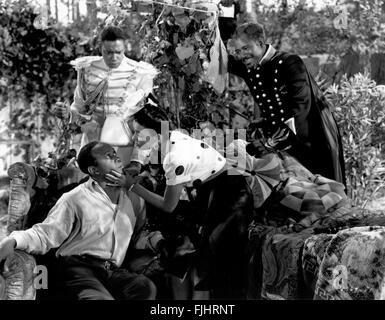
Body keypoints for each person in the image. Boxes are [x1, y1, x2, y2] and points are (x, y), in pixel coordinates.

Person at [103, 103, 254, 299]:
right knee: (192, 254)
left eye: (138, 134)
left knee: (209, 259)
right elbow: (146, 157)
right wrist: (136, 170)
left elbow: (168, 205)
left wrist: (131, 185)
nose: (134, 139)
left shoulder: (175, 158)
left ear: (153, 132)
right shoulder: (170, 137)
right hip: (213, 192)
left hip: (231, 196)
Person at [0, 141, 160, 300]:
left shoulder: (132, 198)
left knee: (144, 288)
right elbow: (46, 233)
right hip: (77, 267)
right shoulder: (75, 198)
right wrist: (13, 241)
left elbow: (138, 235)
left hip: (111, 270)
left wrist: (157, 242)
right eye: (109, 156)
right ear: (94, 170)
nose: (117, 158)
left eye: (115, 154)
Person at [227, 22, 346, 186]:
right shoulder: (249, 65)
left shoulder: (290, 63)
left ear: (260, 43)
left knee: (319, 195)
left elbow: (300, 108)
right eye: (238, 51)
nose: (242, 55)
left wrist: (271, 143)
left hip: (309, 137)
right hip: (280, 139)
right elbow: (222, 59)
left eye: (246, 48)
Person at [53, 26, 158, 166]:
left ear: (124, 48)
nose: (114, 57)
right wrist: (67, 114)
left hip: (126, 147)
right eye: (108, 52)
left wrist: (139, 160)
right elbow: (78, 109)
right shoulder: (86, 69)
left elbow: (150, 118)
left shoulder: (141, 73)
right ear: (101, 47)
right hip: (92, 147)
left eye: (118, 52)